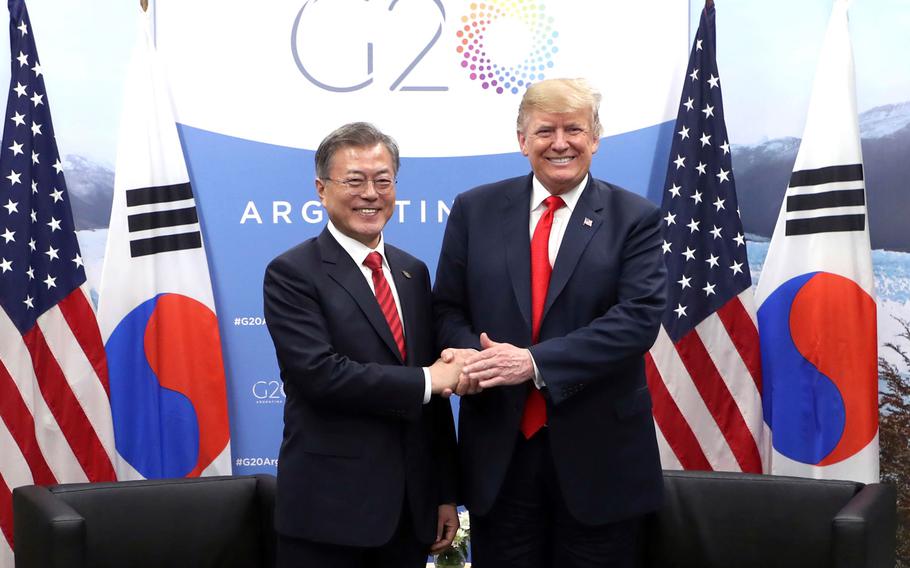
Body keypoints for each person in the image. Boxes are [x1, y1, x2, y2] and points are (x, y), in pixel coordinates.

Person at [434, 78, 667, 567]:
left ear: (595, 138)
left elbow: (638, 320)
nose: (560, 143)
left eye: (574, 129)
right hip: (500, 456)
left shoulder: (635, 217)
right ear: (522, 141)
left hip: (601, 461)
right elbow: (447, 310)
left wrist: (533, 363)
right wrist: (474, 359)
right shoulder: (474, 210)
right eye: (544, 131)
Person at [264, 122, 460, 568]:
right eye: (354, 180)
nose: (370, 193)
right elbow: (320, 375)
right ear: (321, 188)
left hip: (409, 515)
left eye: (383, 180)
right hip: (328, 514)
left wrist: (445, 493)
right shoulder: (292, 272)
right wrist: (430, 379)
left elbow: (432, 403)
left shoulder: (413, 272)